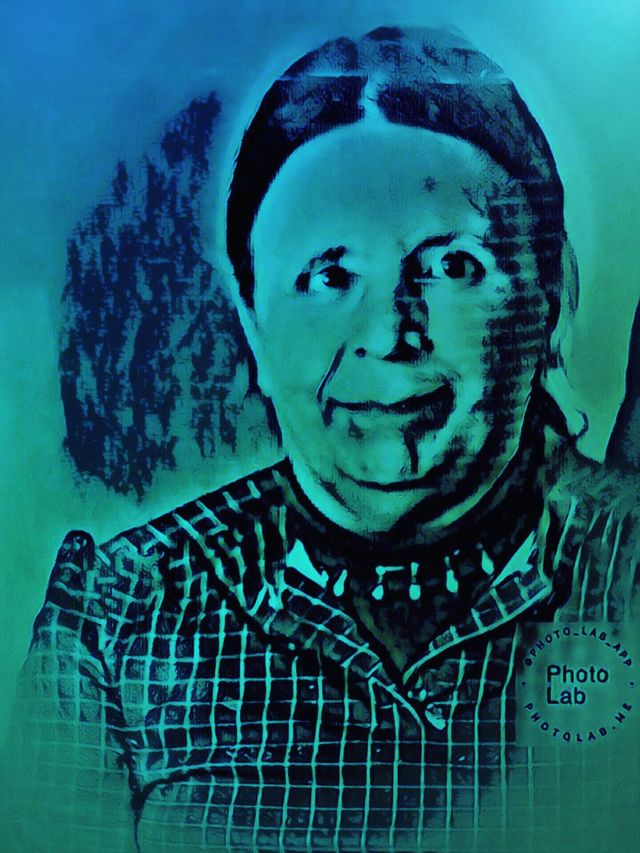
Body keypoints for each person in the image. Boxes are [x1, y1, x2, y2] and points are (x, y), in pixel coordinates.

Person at [3, 25, 639, 853]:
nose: (387, 334)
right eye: (330, 276)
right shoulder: (119, 614)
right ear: (254, 326)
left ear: (548, 294)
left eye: (452, 267)